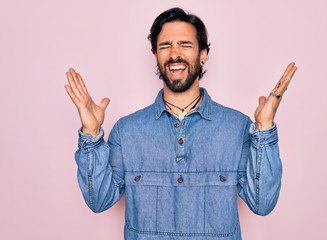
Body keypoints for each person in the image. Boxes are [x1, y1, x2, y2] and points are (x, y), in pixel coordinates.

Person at [65, 7, 297, 240]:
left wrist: (264, 129)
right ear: (156, 55)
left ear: (203, 54)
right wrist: (91, 135)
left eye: (185, 45)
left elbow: (262, 203)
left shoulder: (237, 128)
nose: (174, 54)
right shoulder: (127, 131)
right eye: (165, 46)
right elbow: (99, 201)